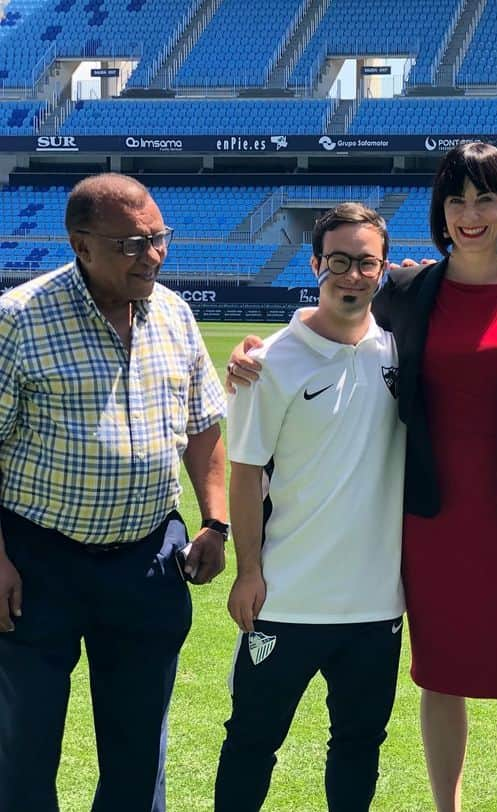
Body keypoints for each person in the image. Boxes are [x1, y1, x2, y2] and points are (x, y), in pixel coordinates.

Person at [226, 142, 497, 812]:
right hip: (428, 519)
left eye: (485, 199)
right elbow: (335, 322)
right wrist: (255, 352)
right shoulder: (408, 291)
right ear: (441, 211)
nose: (470, 214)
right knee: (439, 675)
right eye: (457, 200)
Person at [0, 173, 227, 811]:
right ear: (81, 245)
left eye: (159, 237)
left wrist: (215, 522)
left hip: (148, 562)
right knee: (25, 744)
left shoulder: (175, 314)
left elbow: (203, 425)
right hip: (38, 560)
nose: (152, 254)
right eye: (132, 243)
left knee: (136, 753)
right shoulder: (19, 319)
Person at [214, 204, 405, 811]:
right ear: (317, 264)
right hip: (288, 597)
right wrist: (249, 571)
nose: (352, 276)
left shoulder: (402, 350)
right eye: (340, 262)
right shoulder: (269, 362)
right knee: (251, 742)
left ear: (382, 270)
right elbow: (245, 474)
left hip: (376, 605)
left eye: (366, 263)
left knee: (359, 745)